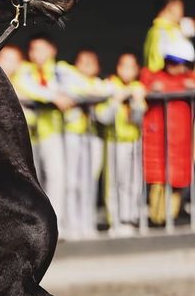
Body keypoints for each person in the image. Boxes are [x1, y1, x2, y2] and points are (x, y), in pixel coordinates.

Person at [14, 35, 75, 235]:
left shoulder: (61, 70)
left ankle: (57, 224)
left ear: (52, 50)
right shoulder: (25, 70)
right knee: (35, 180)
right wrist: (52, 96)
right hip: (32, 134)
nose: (37, 54)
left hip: (55, 132)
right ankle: (39, 227)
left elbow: (74, 89)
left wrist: (57, 94)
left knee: (57, 177)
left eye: (42, 49)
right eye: (33, 49)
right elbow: (24, 86)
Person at [141, 35, 195, 224]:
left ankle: (170, 218)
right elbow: (147, 83)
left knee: (178, 181)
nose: (175, 67)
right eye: (171, 62)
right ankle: (158, 219)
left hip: (181, 142)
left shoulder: (190, 78)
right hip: (158, 142)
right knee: (159, 182)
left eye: (179, 63)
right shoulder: (152, 76)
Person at [63, 49, 112, 239]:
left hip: (93, 136)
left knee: (89, 181)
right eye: (83, 61)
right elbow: (71, 91)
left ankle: (87, 223)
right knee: (72, 181)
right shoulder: (70, 78)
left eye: (91, 62)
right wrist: (90, 94)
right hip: (72, 134)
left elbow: (108, 95)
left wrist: (94, 94)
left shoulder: (100, 84)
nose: (87, 65)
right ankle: (71, 224)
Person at [96, 53, 146, 236]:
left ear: (137, 70)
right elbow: (103, 117)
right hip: (114, 141)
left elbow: (138, 119)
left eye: (131, 67)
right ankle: (115, 220)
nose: (126, 71)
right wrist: (116, 100)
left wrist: (137, 102)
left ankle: (129, 218)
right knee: (114, 183)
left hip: (133, 141)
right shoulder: (108, 86)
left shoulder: (138, 88)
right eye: (123, 66)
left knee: (133, 182)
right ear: (117, 68)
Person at [143, 0, 195, 73]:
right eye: (180, 7)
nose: (182, 11)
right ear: (170, 6)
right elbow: (155, 65)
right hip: (166, 79)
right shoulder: (158, 31)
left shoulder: (177, 29)